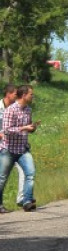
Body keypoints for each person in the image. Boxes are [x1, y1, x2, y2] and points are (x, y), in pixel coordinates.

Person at [0, 85, 38, 212]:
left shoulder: (28, 110)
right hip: (8, 150)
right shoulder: (10, 110)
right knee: (2, 178)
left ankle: (27, 201)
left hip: (22, 149)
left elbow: (28, 128)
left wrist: (32, 128)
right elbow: (6, 130)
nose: (32, 96)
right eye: (31, 94)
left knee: (30, 173)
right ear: (24, 95)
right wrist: (24, 128)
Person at [0, 84, 26, 212]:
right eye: (16, 94)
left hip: (15, 146)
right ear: (8, 94)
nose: (17, 96)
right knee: (2, 176)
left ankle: (22, 199)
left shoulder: (16, 108)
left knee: (25, 170)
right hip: (3, 146)